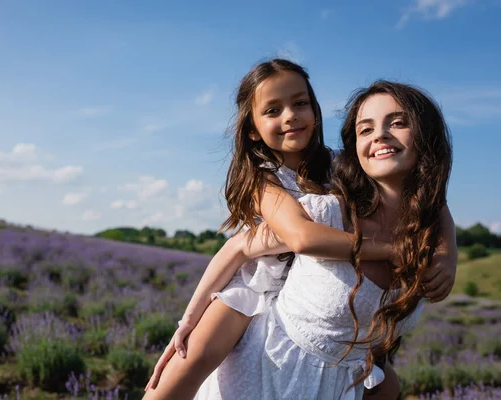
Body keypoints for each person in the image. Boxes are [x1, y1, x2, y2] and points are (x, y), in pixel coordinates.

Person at [144, 60, 457, 399]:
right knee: (192, 359)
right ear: (253, 129)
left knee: (387, 384)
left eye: (300, 103)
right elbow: (289, 239)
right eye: (273, 110)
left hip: (320, 290)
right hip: (259, 283)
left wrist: (446, 252)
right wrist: (188, 319)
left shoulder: (342, 165)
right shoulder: (262, 179)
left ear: (316, 111)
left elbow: (424, 196)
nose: (290, 116)